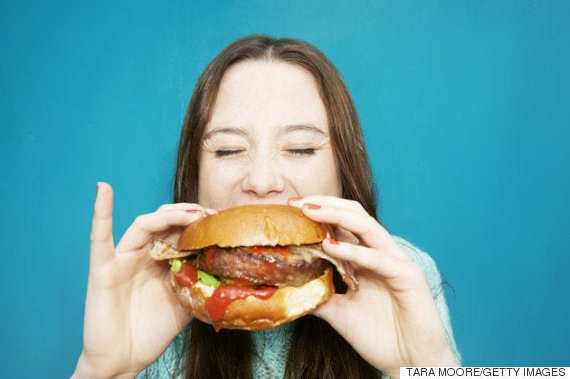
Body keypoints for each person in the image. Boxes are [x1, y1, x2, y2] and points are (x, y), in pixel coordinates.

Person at [72, 35, 460, 379]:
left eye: (300, 148)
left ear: (344, 168)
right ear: (194, 173)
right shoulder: (151, 285)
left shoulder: (401, 272)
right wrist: (101, 372)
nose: (261, 181)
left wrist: (428, 365)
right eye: (227, 149)